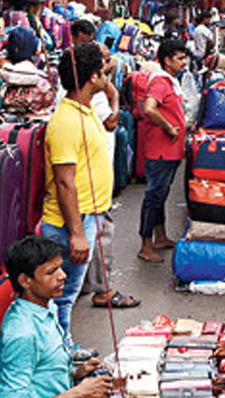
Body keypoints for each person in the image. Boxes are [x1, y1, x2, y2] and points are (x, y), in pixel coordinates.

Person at [0, 237, 115, 398]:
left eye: (60, 267)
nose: (62, 275)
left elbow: (42, 372)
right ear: (25, 281)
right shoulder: (22, 334)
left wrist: (76, 374)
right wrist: (78, 393)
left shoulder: (48, 306)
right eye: (51, 272)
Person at [41, 44, 113, 347]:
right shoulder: (67, 121)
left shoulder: (84, 111)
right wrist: (76, 234)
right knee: (63, 297)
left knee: (65, 295)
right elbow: (65, 183)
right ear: (92, 76)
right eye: (103, 68)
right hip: (71, 221)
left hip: (86, 217)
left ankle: (63, 348)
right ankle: (62, 352)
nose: (108, 72)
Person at [82, 43, 139, 309]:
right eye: (105, 62)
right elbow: (111, 122)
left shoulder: (79, 92)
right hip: (94, 172)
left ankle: (85, 283)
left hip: (93, 169)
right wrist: (113, 93)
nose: (110, 66)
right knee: (101, 228)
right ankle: (102, 290)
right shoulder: (94, 94)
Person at [137, 39, 188, 263]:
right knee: (154, 195)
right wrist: (168, 127)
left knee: (161, 193)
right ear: (167, 61)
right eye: (179, 58)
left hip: (169, 150)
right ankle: (145, 245)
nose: (184, 62)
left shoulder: (170, 81)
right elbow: (149, 109)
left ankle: (160, 236)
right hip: (161, 150)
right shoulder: (160, 82)